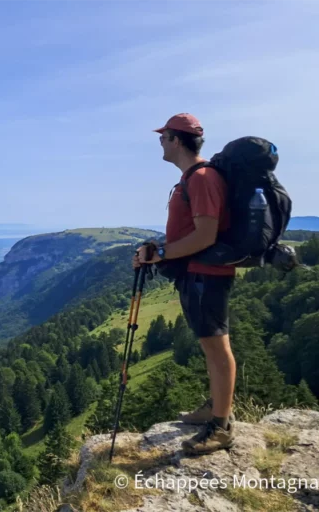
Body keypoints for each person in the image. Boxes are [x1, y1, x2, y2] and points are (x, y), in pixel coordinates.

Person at [133, 113, 237, 455]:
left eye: (163, 137)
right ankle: (216, 407)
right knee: (210, 344)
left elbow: (205, 234)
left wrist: (160, 252)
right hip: (197, 274)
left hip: (207, 276)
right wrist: (158, 253)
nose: (160, 143)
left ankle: (220, 427)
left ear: (176, 139)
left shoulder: (202, 178)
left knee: (216, 347)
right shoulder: (193, 178)